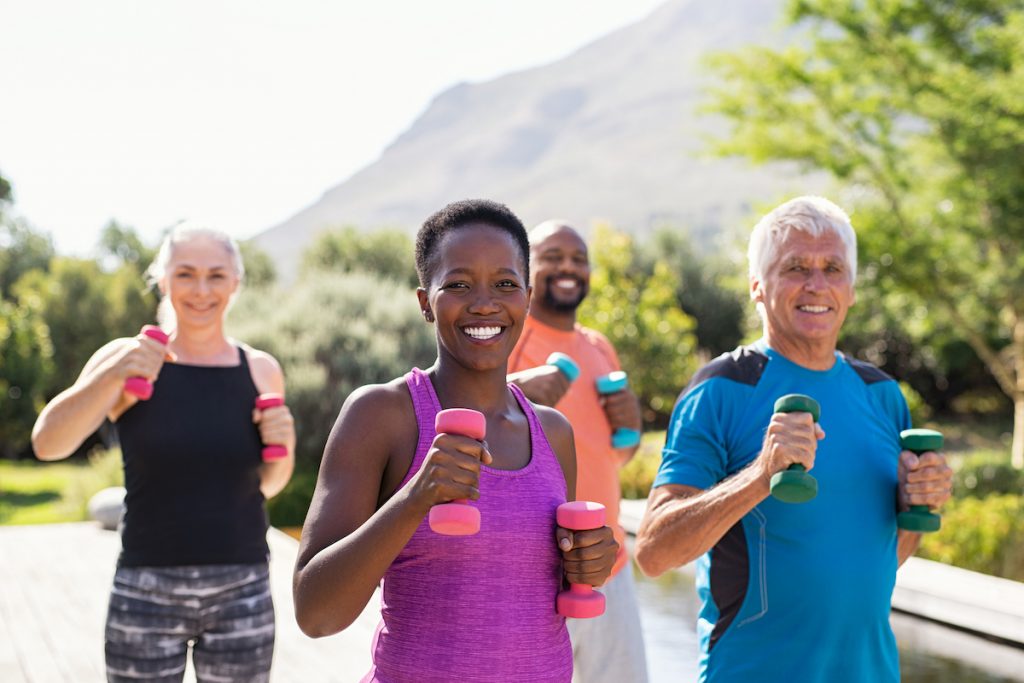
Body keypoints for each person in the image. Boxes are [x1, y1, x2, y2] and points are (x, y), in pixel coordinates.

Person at [292, 199, 618, 683]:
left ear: (527, 298)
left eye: (505, 284)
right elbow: (316, 614)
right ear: (426, 302)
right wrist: (415, 496)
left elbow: (532, 590)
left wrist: (591, 561)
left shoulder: (553, 432)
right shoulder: (382, 414)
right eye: (459, 284)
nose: (484, 303)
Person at [634, 196, 953, 682]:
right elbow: (655, 552)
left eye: (833, 268)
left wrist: (919, 501)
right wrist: (760, 476)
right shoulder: (722, 389)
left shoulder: (883, 395)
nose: (817, 284)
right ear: (757, 287)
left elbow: (879, 557)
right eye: (796, 267)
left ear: (850, 288)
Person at [32, 223, 295, 683]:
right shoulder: (126, 358)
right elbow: (48, 445)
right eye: (185, 274)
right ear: (163, 280)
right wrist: (111, 375)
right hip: (146, 588)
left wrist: (285, 445)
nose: (200, 290)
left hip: (242, 588)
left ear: (235, 283)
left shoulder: (260, 369)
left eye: (215, 276)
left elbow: (267, 484)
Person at [507, 220, 648, 683]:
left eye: (578, 258)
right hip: (535, 572)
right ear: (528, 268)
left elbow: (612, 457)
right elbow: (466, 424)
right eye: (553, 257)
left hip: (611, 565)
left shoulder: (598, 347)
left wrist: (631, 426)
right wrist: (514, 393)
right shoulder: (508, 338)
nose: (568, 267)